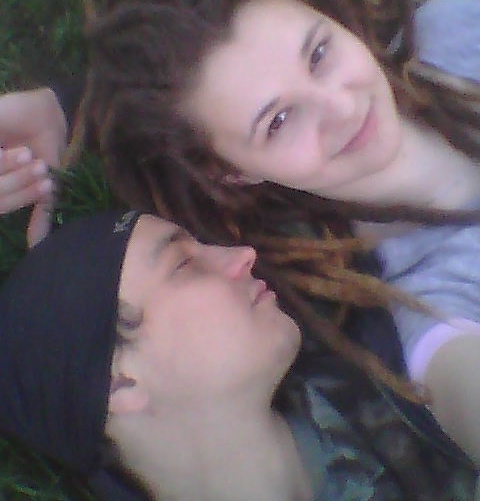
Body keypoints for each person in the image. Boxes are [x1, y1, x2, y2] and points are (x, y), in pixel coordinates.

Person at [1, 0, 480, 462]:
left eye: (319, 53)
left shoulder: (454, 29)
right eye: (278, 122)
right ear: (232, 172)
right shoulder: (433, 306)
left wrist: (64, 108)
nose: (341, 108)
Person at [0, 210, 477, 501]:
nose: (241, 254)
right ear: (120, 384)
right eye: (184, 265)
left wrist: (65, 107)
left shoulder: (354, 323)